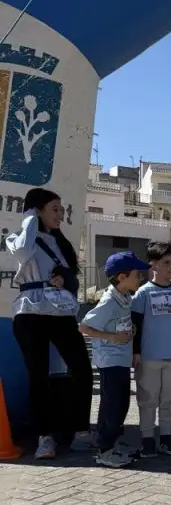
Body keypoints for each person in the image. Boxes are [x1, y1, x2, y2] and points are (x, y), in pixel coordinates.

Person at [7, 188, 93, 459]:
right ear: (37, 210)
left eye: (61, 209)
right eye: (54, 209)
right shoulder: (18, 237)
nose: (60, 214)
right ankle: (44, 437)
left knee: (82, 368)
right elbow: (23, 252)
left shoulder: (61, 243)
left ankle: (79, 429)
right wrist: (29, 218)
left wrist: (64, 278)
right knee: (38, 375)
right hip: (30, 313)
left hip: (60, 313)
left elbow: (73, 278)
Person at [80, 251, 150, 467]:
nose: (140, 278)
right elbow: (84, 327)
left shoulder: (125, 298)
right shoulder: (109, 302)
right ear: (121, 277)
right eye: (137, 274)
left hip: (121, 360)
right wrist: (112, 337)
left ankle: (112, 445)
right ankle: (105, 451)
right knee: (112, 406)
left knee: (120, 404)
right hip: (110, 362)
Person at [131, 242, 171, 458]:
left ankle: (166, 436)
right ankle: (147, 438)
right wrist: (135, 352)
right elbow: (135, 324)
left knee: (168, 398)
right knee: (147, 399)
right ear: (153, 265)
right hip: (148, 357)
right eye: (166, 263)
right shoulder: (142, 293)